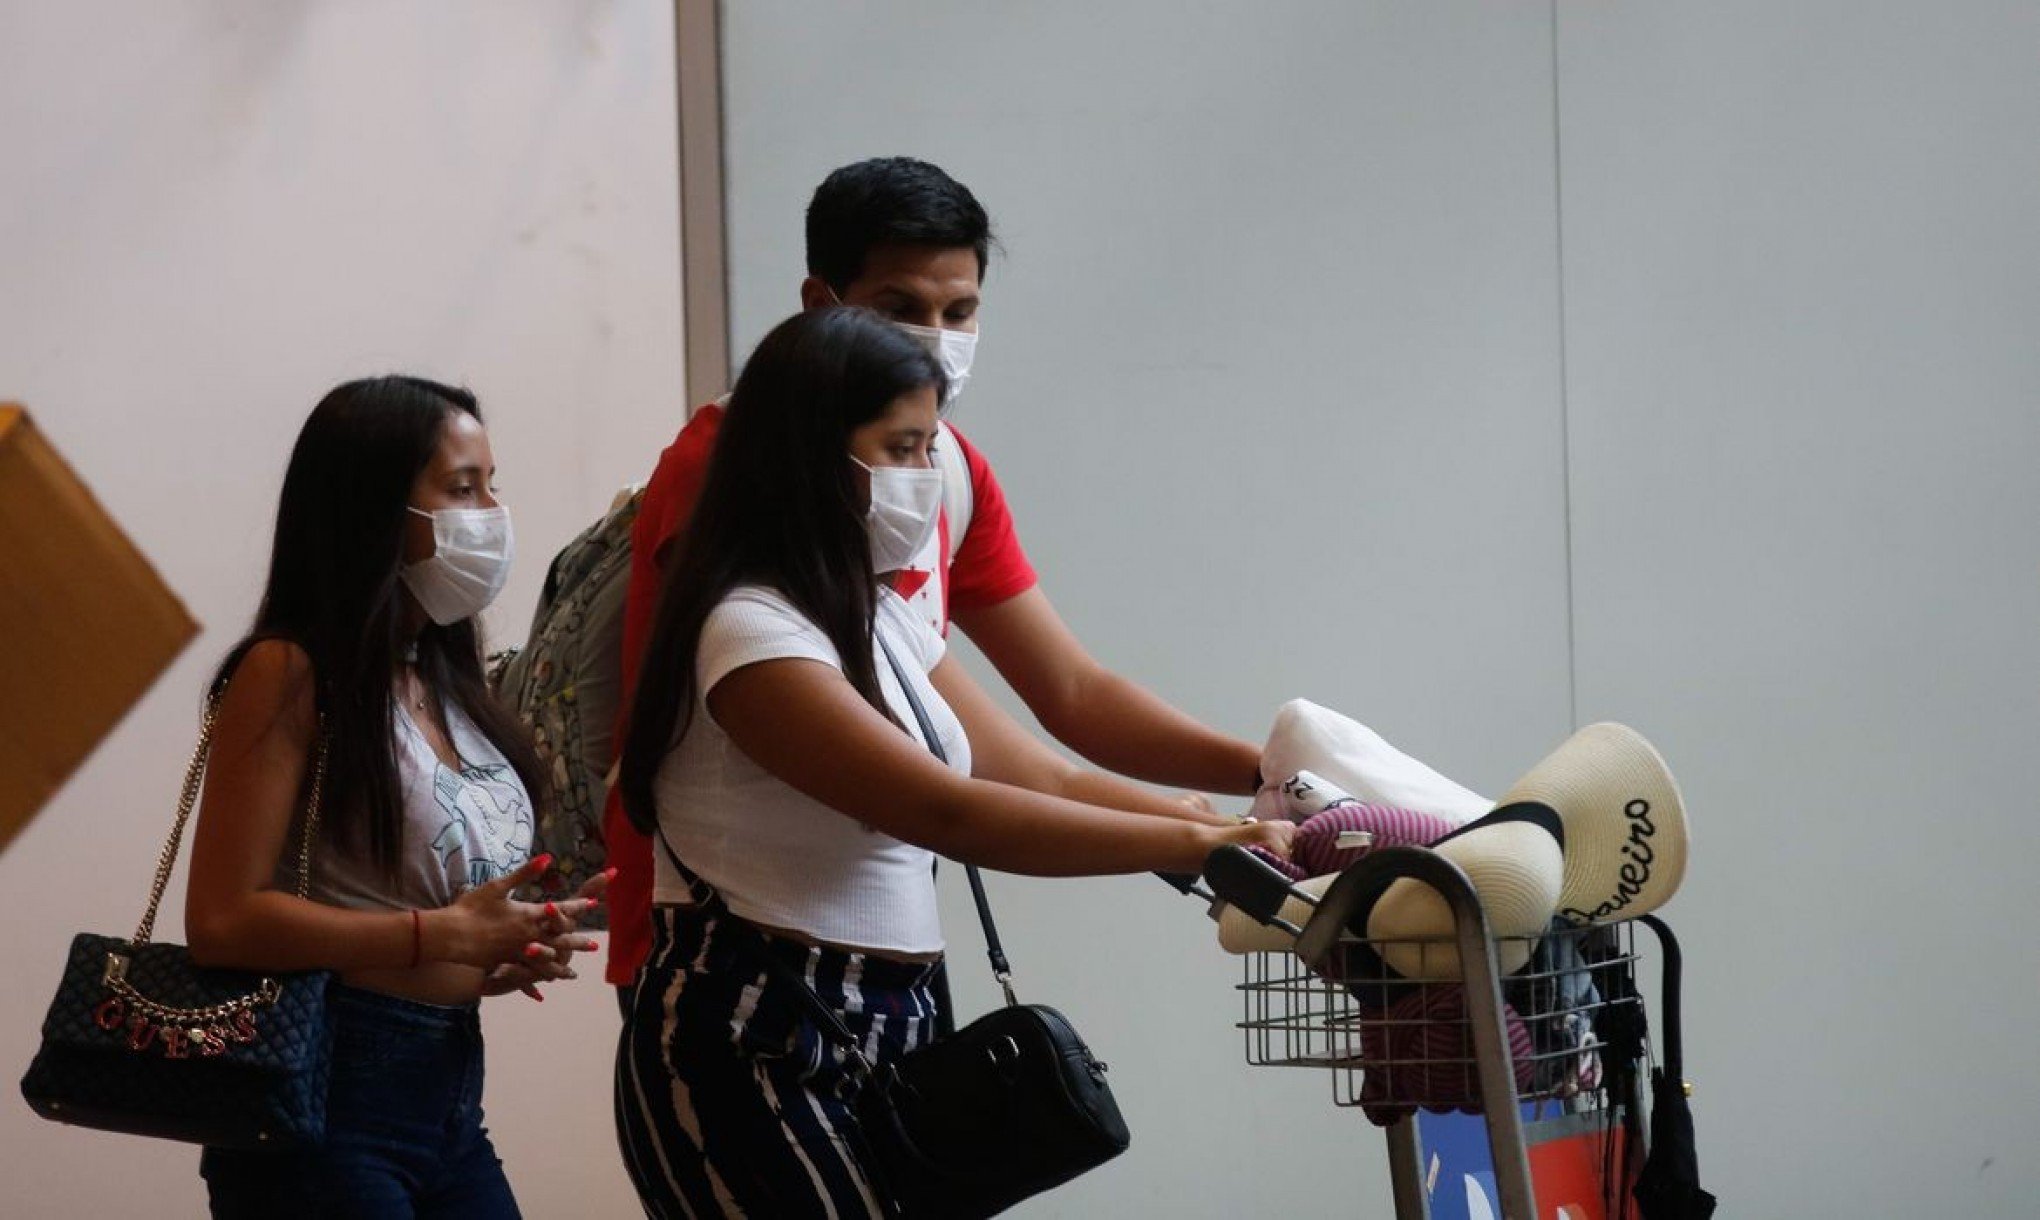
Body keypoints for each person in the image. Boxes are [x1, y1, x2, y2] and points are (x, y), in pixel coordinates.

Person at [611, 307, 1292, 1217]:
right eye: (900, 448)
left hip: (894, 1022)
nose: (925, 478)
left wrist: (1210, 818)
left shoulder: (877, 613)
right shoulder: (749, 632)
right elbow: (949, 813)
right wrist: (1190, 848)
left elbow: (1042, 775)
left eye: (930, 448)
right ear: (805, 454)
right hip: (757, 1027)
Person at [601, 155, 1265, 999]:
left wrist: (1262, 783)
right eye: (901, 309)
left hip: (881, 957)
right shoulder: (737, 505)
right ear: (823, 305)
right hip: (740, 948)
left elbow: (1069, 697)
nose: (938, 339)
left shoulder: (943, 480)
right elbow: (943, 805)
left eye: (961, 311)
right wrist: (1188, 841)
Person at [184, 376, 606, 1218]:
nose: (491, 512)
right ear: (371, 511)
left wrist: (502, 941)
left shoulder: (442, 679)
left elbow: (405, 905)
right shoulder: (290, 671)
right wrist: (438, 934)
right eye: (460, 489)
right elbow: (223, 921)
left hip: (446, 1090)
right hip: (325, 1098)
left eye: (492, 483)